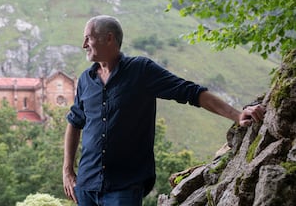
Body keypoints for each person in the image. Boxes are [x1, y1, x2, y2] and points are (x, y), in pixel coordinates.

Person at [62, 15, 265, 205]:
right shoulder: (86, 81)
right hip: (86, 186)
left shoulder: (141, 70)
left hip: (124, 186)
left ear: (109, 38)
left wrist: (237, 115)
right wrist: (68, 171)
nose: (84, 45)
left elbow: (190, 92)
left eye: (88, 38)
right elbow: (75, 122)